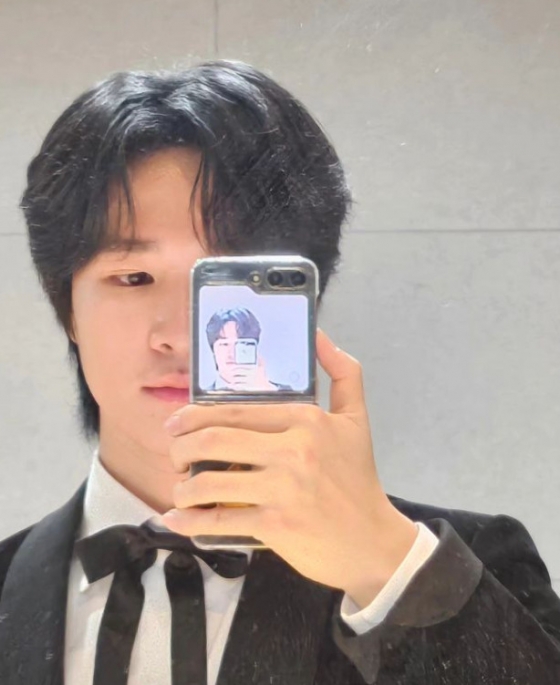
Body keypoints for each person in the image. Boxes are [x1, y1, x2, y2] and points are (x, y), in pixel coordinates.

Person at [0, 60, 559, 685]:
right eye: (134, 277)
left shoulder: (460, 569)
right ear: (68, 308)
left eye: (228, 282)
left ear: (302, 301)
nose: (185, 333)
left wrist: (387, 567)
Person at [204, 307, 292, 391]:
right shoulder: (202, 397)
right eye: (225, 344)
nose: (232, 353)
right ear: (213, 349)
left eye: (241, 344)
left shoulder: (283, 393)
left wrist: (266, 390)